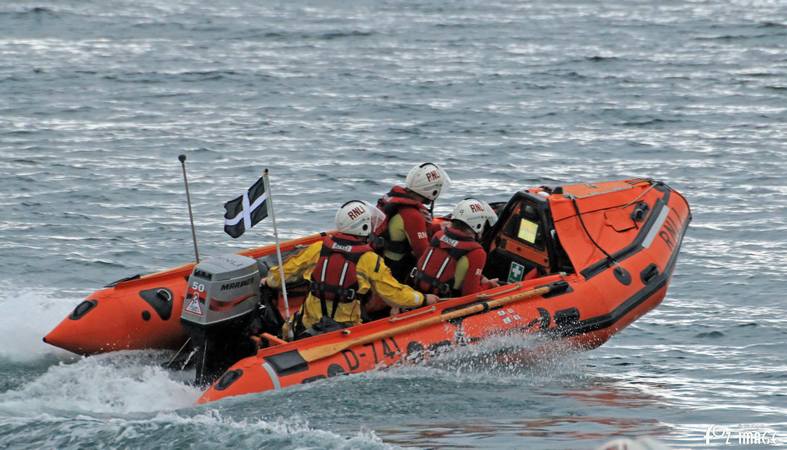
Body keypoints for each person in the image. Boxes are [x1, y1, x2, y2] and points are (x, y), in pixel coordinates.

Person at [262, 200, 439, 337]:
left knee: (288, 326)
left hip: (307, 323)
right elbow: (395, 294)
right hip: (345, 330)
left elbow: (282, 273)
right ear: (363, 226)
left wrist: (269, 280)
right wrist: (424, 299)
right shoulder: (369, 259)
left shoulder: (318, 248)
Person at [373, 162, 450, 281]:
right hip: (396, 272)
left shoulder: (393, 201)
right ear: (433, 191)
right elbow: (423, 255)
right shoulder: (413, 215)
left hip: (379, 261)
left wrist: (439, 228)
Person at [408, 198, 500, 298]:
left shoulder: (439, 235)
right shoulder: (477, 253)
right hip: (443, 302)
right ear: (478, 224)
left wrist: (481, 278)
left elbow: (450, 266)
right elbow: (470, 294)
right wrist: (489, 285)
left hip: (419, 292)